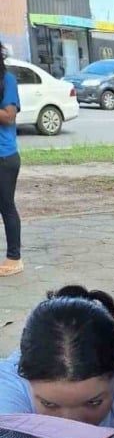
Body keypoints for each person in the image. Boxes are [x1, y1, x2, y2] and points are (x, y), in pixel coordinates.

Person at [0, 285, 114, 427]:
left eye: (93, 403)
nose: (72, 425)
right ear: (22, 372)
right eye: (49, 404)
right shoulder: (7, 380)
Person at [0, 42, 22, 277]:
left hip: (4, 157)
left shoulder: (7, 81)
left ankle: (14, 258)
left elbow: (8, 116)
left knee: (6, 207)